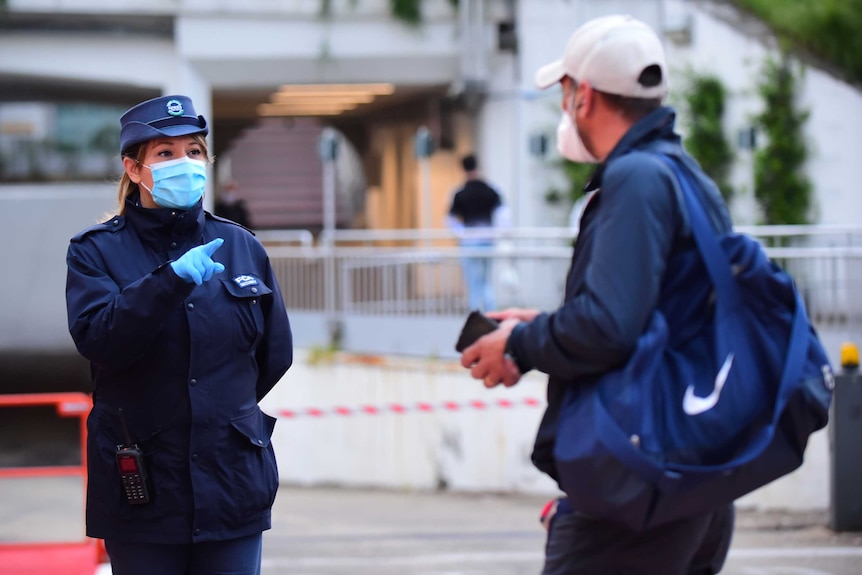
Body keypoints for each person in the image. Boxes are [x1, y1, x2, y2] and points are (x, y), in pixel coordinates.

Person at [458, 15, 735, 575]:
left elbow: (607, 328)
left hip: (635, 478)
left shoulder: (634, 178)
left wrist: (520, 342)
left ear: (582, 95)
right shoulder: (685, 176)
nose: (563, 107)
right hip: (694, 471)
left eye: (562, 92)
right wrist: (541, 325)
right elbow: (650, 317)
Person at [65, 94, 293, 575]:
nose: (183, 164)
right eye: (165, 154)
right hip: (144, 485)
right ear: (134, 168)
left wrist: (216, 406)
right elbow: (101, 340)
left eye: (193, 151)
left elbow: (275, 353)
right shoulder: (95, 252)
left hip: (230, 479)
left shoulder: (241, 245)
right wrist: (168, 282)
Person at [446, 153, 511, 311]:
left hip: (469, 240)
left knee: (473, 282)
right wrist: (501, 233)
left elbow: (450, 219)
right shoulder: (490, 190)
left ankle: (475, 315)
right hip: (488, 238)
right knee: (486, 280)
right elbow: (504, 215)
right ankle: (491, 312)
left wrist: (461, 234)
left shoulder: (460, 193)